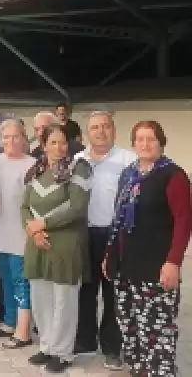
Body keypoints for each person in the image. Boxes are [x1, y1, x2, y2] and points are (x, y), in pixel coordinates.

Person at [105, 121, 191, 377]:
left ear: (161, 143)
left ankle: (160, 372)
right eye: (139, 139)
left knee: (157, 330)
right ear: (133, 144)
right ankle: (139, 370)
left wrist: (174, 262)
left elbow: (184, 223)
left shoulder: (173, 175)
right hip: (127, 266)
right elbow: (118, 219)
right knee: (130, 325)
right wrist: (110, 255)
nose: (144, 144)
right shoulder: (128, 174)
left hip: (157, 267)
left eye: (150, 139)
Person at [22, 124, 91, 373]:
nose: (59, 147)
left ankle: (63, 352)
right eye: (53, 142)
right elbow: (24, 207)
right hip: (37, 242)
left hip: (66, 244)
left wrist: (44, 223)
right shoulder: (35, 171)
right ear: (43, 145)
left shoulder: (79, 168)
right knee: (40, 296)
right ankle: (47, 346)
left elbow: (77, 206)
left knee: (64, 300)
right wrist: (34, 230)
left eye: (63, 142)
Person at [73, 111, 135, 369]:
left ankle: (112, 347)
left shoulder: (128, 159)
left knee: (113, 293)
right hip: (84, 233)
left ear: (113, 130)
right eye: (95, 127)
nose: (101, 131)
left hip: (115, 234)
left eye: (105, 126)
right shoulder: (78, 159)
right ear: (87, 133)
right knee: (85, 289)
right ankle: (85, 340)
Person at [0, 119, 35, 348]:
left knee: (21, 282)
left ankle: (23, 330)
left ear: (24, 138)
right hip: (1, 231)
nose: (10, 141)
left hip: (21, 234)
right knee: (5, 279)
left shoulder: (32, 164)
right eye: (5, 137)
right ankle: (9, 321)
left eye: (15, 136)